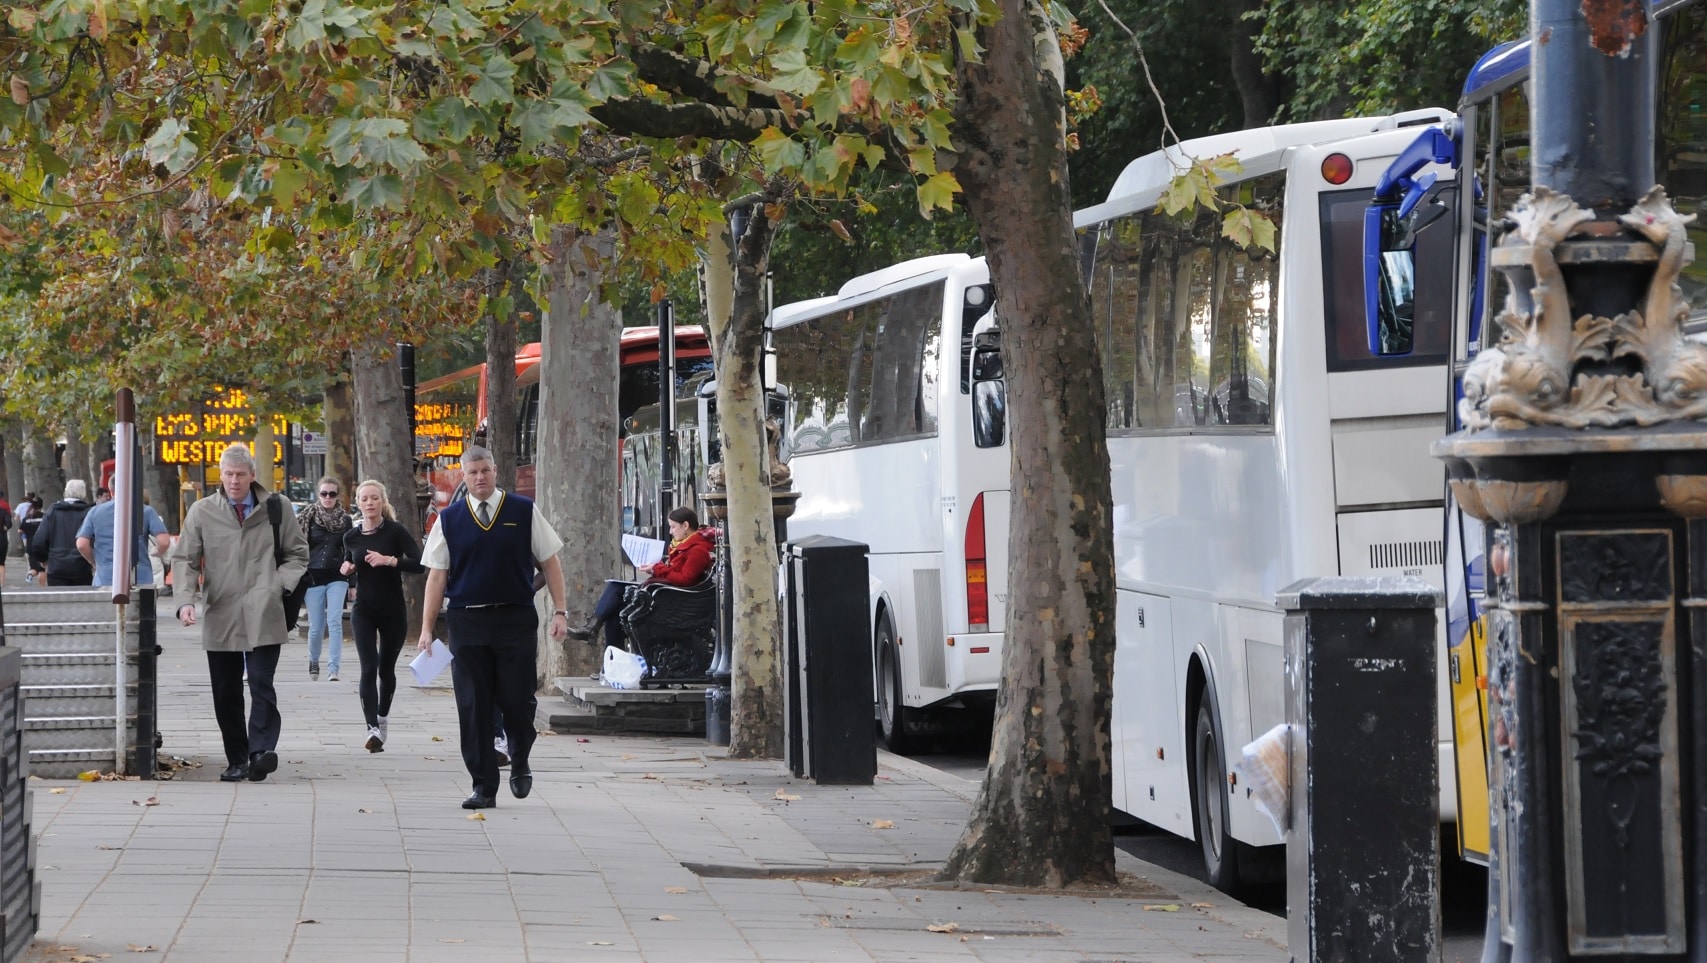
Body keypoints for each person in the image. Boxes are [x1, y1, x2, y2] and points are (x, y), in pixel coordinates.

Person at [417, 445, 569, 810]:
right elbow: (437, 577)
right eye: (472, 473)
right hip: (467, 621)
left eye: (485, 470)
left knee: (517, 700)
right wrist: (426, 628)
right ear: (463, 477)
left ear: (496, 470)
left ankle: (519, 757)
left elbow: (550, 563)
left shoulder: (522, 510)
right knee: (473, 705)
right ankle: (483, 784)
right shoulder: (449, 520)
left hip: (514, 619)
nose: (480, 477)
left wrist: (560, 612)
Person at [172, 443, 308, 783]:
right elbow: (185, 559)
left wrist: (277, 584)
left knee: (261, 683)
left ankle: (260, 752)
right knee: (226, 690)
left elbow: (298, 554)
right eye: (228, 474)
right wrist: (185, 601)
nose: (234, 481)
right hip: (222, 611)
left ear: (252, 475)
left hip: (265, 609)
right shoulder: (203, 511)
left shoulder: (278, 508)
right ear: (221, 474)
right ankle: (237, 758)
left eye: (240, 474)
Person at [339, 479, 422, 753]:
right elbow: (348, 561)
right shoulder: (351, 536)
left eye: (375, 498)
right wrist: (347, 569)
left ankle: (382, 717)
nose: (370, 503)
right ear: (358, 503)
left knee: (386, 670)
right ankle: (371, 727)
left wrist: (390, 560)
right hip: (363, 609)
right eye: (365, 499)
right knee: (368, 666)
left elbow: (420, 564)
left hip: (393, 609)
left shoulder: (395, 532)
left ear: (382, 502)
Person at [567, 506, 716, 650]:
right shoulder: (682, 546)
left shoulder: (697, 550)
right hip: (666, 595)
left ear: (685, 525)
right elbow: (675, 573)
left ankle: (592, 627)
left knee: (616, 588)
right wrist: (657, 569)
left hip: (671, 601)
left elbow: (685, 579)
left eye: (673, 527)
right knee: (614, 613)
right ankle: (610, 663)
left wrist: (657, 569)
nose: (670, 532)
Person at [299, 476, 353, 681]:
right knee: (316, 627)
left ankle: (333, 668)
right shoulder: (308, 517)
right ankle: (314, 660)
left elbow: (350, 550)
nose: (328, 497)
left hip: (337, 576)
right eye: (324, 493)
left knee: (335, 620)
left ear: (337, 495)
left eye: (332, 494)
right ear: (318, 495)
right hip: (313, 576)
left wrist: (352, 579)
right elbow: (299, 547)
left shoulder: (345, 520)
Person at [75, 488, 172, 588]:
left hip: (105, 578)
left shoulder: (95, 511)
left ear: (111, 491)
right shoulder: (146, 511)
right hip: (140, 577)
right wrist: (157, 552)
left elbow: (81, 544)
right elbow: (164, 542)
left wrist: (95, 562)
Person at [30, 480, 95, 586]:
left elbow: (39, 541)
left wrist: (43, 559)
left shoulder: (53, 511)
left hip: (57, 566)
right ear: (83, 492)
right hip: (82, 566)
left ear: (66, 491)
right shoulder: (89, 512)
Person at [18, 494, 43, 582]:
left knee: (34, 568)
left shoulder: (27, 518)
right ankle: (43, 588)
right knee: (42, 569)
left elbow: (20, 530)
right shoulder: (44, 517)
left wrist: (27, 533)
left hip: (30, 545)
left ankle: (30, 574)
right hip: (42, 545)